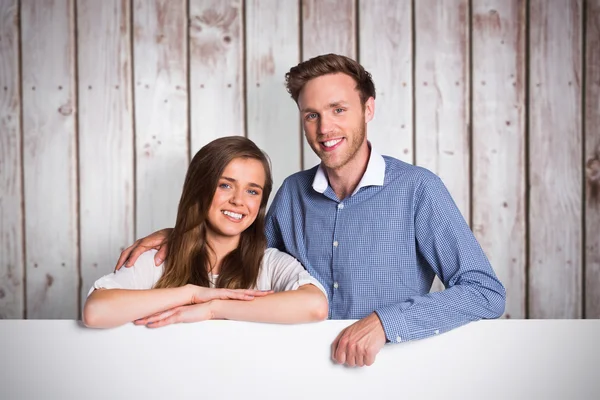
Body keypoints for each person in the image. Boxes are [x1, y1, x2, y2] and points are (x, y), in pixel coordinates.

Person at [115, 54, 506, 367]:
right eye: (312, 115)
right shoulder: (292, 193)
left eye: (339, 110)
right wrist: (180, 233)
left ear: (368, 110)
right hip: (293, 372)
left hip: (388, 373)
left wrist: (388, 323)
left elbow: (484, 292)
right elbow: (241, 250)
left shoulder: (418, 190)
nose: (324, 128)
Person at [83, 136, 328, 329]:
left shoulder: (270, 263)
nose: (238, 201)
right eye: (225, 185)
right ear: (200, 190)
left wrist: (213, 308)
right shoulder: (159, 259)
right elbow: (96, 311)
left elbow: (315, 306)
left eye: (252, 191)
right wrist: (192, 294)